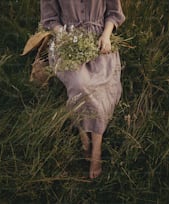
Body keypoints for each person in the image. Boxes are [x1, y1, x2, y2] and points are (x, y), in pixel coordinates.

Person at [40, 0, 125, 179]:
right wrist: (64, 35)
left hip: (99, 39)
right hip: (68, 41)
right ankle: (82, 131)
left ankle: (96, 149)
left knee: (100, 87)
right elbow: (50, 19)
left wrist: (106, 36)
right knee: (80, 84)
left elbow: (114, 13)